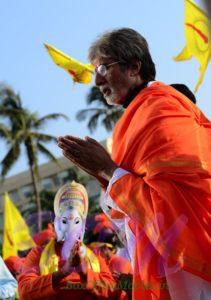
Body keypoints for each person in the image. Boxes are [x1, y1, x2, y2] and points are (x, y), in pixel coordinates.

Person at [57, 28, 211, 300]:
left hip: (193, 263)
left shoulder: (160, 108)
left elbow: (174, 200)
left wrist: (108, 171)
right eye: (95, 71)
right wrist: (105, 177)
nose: (97, 80)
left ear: (133, 67)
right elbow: (134, 214)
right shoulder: (132, 122)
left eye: (104, 67)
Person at [18, 181, 125, 299]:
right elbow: (24, 291)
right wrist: (63, 272)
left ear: (83, 227)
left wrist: (84, 272)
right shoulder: (38, 254)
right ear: (56, 224)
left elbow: (113, 292)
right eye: (64, 221)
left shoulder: (95, 254)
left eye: (76, 222)